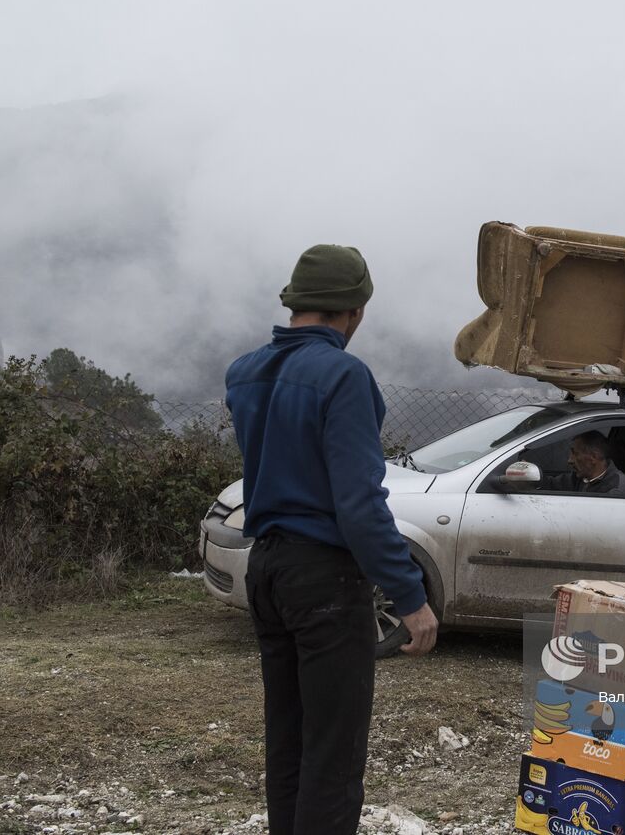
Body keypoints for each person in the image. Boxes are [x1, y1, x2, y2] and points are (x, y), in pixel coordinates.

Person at [225, 244, 438, 835]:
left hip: (264, 567)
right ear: (355, 311)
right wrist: (411, 597)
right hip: (323, 576)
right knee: (334, 754)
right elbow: (359, 502)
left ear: (295, 302)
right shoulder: (343, 375)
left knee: (289, 739)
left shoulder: (243, 373)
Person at [540, 430, 625, 495]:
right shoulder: (579, 478)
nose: (570, 460)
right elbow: (550, 484)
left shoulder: (616, 488)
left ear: (594, 457)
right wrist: (528, 472)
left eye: (575, 454)